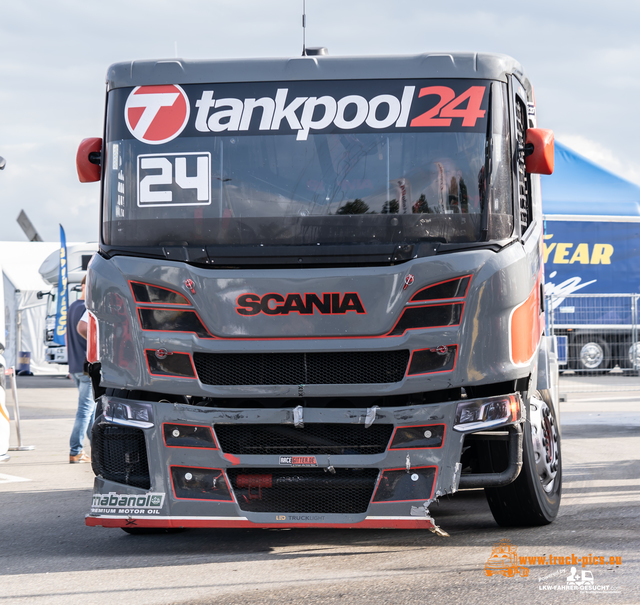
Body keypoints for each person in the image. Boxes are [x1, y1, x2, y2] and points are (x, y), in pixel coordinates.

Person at [67, 276, 95, 463]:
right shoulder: (86, 308)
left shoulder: (72, 308)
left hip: (75, 366)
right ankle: (75, 450)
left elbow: (68, 339)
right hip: (86, 367)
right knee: (85, 410)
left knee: (90, 410)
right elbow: (84, 331)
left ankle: (96, 448)